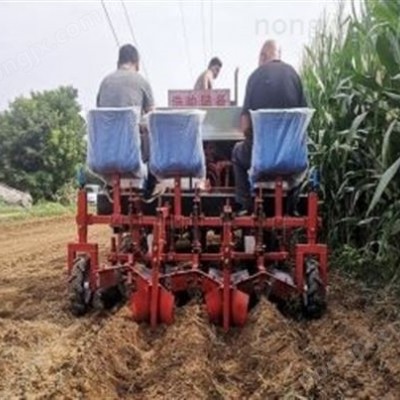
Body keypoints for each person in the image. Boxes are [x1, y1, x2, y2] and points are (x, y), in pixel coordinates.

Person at [232, 40, 307, 213]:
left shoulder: (255, 77)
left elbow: (245, 126)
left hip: (261, 157)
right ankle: (292, 207)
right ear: (279, 55)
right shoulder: (295, 76)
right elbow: (303, 121)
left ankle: (246, 205)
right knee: (304, 158)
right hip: (291, 159)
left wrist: (254, 141)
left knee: (237, 153)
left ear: (263, 56)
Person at [96, 44, 160, 199]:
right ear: (136, 63)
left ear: (118, 62)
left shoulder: (104, 82)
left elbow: (101, 114)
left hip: (104, 153)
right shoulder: (141, 81)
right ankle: (151, 184)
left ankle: (109, 184)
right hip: (131, 151)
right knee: (154, 132)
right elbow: (152, 117)